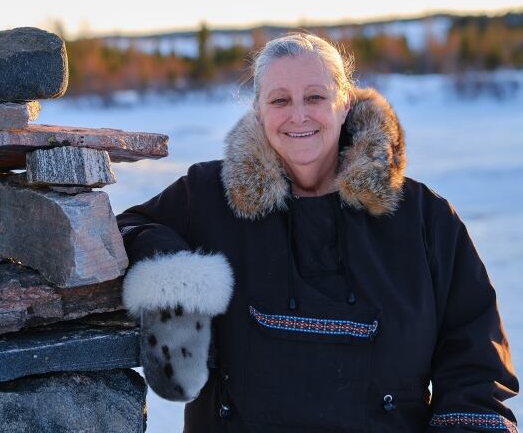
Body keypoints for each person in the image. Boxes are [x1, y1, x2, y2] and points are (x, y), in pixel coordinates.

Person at [117, 33, 519, 432]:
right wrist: (174, 288)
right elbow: (128, 230)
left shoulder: (423, 217)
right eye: (279, 100)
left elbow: (476, 368)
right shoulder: (207, 195)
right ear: (258, 110)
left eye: (315, 97)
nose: (299, 116)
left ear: (344, 103)